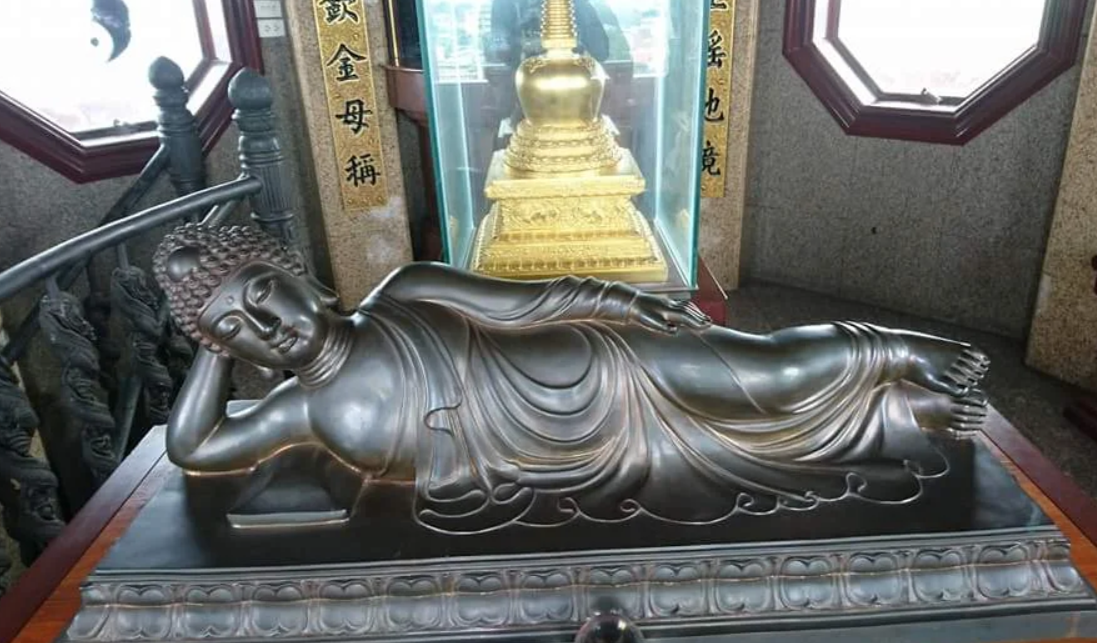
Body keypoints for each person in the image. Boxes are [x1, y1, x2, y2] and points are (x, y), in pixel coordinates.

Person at [155, 224, 990, 533]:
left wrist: (630, 303)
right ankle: (900, 413)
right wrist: (210, 343)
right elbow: (196, 447)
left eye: (263, 296)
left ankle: (894, 350)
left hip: (610, 367)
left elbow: (535, 301)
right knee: (764, 448)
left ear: (299, 276)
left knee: (774, 374)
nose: (265, 326)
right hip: (586, 457)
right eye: (239, 331)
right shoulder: (302, 411)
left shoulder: (403, 293)